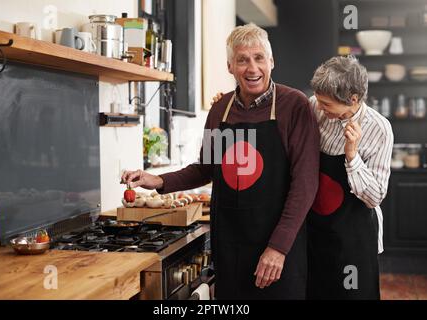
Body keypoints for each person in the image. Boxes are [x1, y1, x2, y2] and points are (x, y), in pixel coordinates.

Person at [122, 23, 320, 300]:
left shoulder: (294, 106)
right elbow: (206, 168)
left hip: (277, 248)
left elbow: (306, 185)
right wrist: (158, 180)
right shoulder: (221, 110)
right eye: (242, 60)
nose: (252, 68)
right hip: (231, 247)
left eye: (259, 58)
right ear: (230, 66)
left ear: (271, 61)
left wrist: (279, 247)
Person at [307, 56, 394, 299]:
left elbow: (375, 196)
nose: (320, 107)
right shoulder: (315, 106)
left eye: (327, 104)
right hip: (316, 231)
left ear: (353, 99)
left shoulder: (379, 129)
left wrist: (352, 156)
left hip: (354, 237)